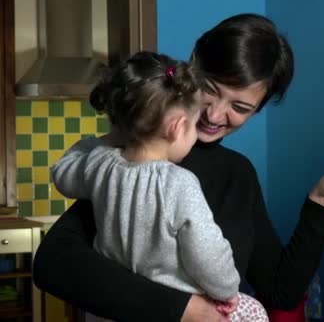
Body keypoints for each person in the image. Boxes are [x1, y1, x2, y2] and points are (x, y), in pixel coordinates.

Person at [33, 13, 324, 322]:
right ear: (192, 64)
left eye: (240, 107)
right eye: (209, 90)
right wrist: (182, 309)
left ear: (258, 109)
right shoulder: (135, 158)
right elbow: (55, 264)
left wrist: (319, 204)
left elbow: (281, 292)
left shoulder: (237, 173)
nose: (215, 115)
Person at [50, 51, 268, 321]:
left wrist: (103, 142)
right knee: (254, 312)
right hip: (172, 307)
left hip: (110, 312)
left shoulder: (100, 165)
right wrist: (227, 290)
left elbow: (61, 172)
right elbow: (207, 254)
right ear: (177, 128)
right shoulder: (180, 183)